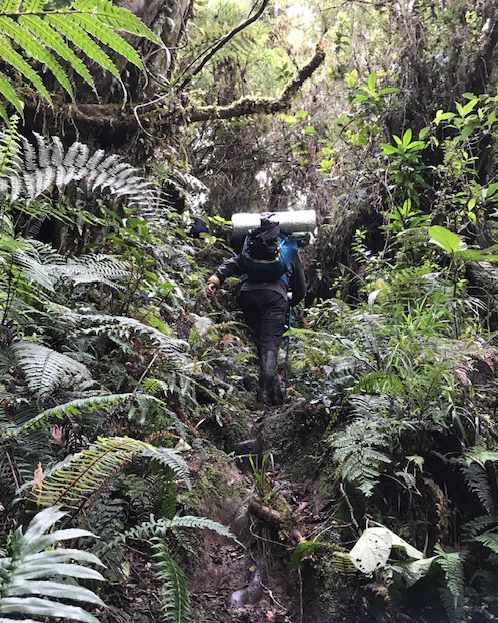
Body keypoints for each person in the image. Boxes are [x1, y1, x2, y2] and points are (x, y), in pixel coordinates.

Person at [206, 217, 306, 405]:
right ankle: (267, 394)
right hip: (275, 298)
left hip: (248, 297)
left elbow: (235, 262)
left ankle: (268, 389)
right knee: (270, 344)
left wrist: (215, 280)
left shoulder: (251, 244)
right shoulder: (289, 248)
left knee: (260, 341)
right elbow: (300, 288)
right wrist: (290, 302)